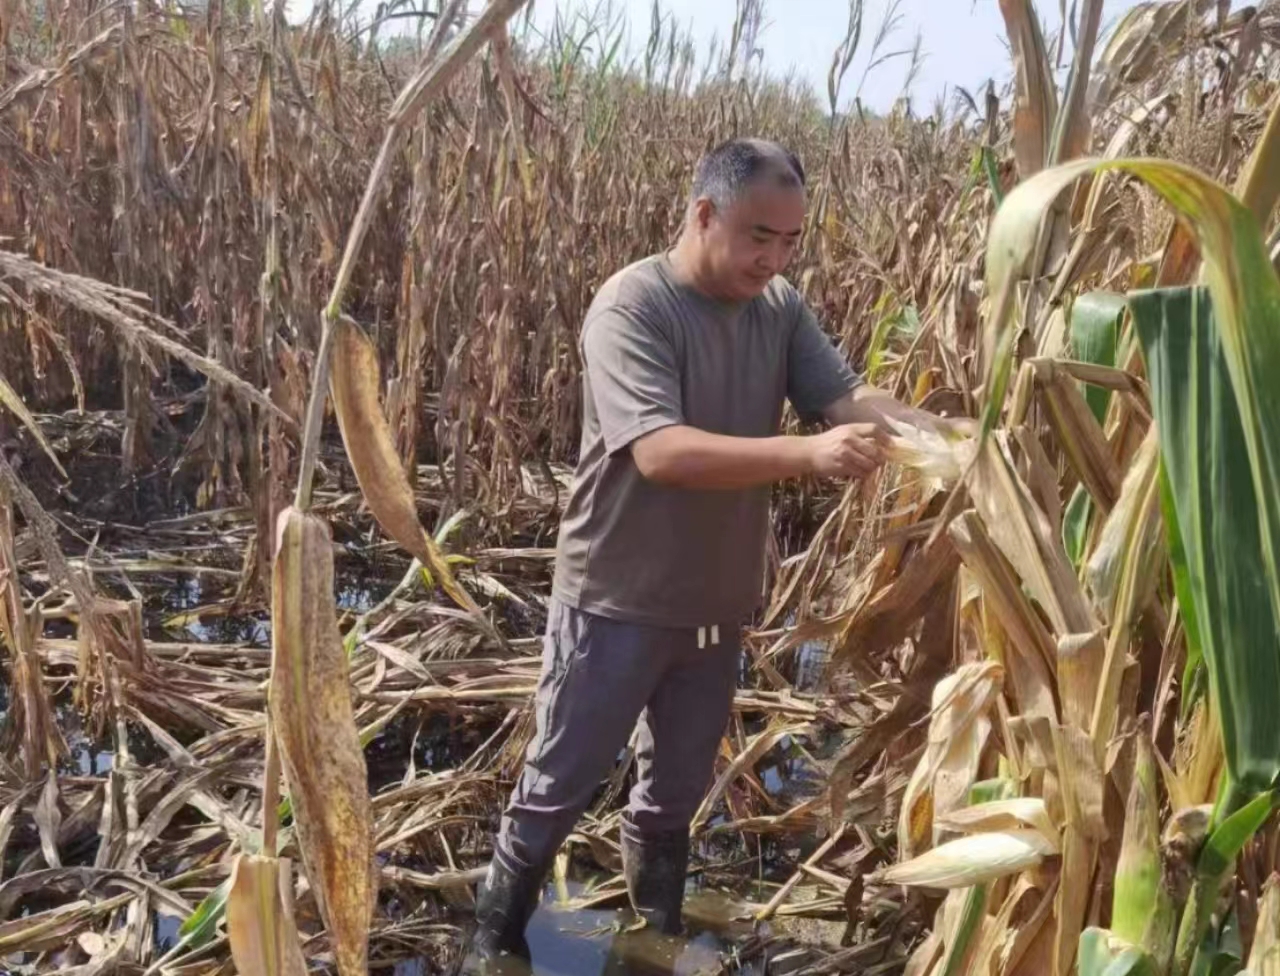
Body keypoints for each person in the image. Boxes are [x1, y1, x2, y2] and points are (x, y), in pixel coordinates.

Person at [470, 138, 953, 964]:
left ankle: (650, 935)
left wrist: (949, 436)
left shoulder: (779, 309)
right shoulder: (633, 307)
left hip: (714, 606)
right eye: (759, 236)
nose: (774, 258)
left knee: (674, 797)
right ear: (704, 214)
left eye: (790, 241)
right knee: (556, 787)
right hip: (616, 600)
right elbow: (660, 451)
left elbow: (843, 399)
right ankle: (493, 939)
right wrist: (806, 455)